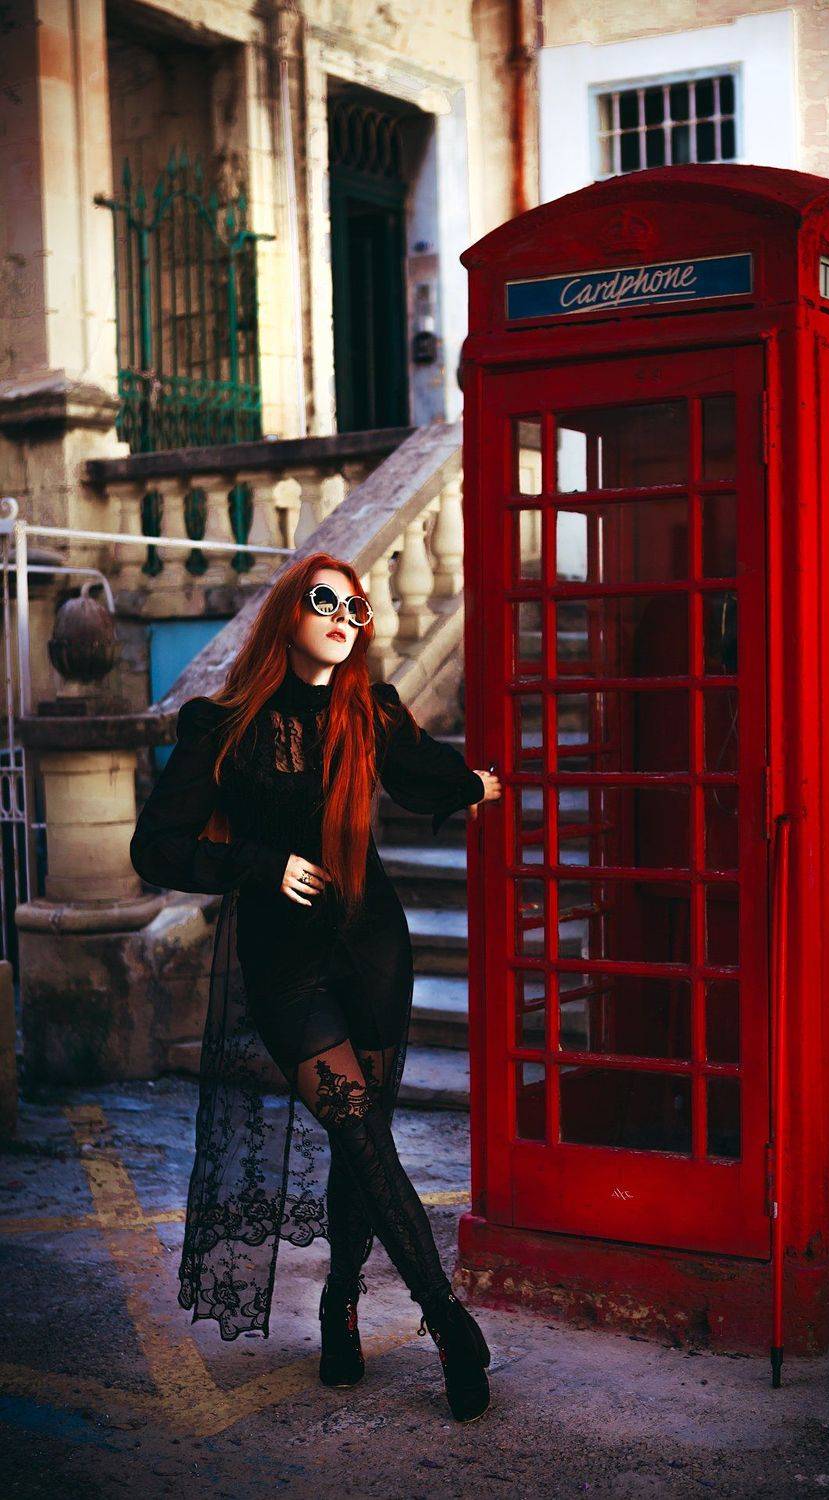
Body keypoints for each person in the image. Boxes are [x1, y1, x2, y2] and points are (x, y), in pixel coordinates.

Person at [129, 551, 502, 1423]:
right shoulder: (219, 725)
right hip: (286, 965)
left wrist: (474, 784)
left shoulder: (368, 707)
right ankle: (447, 1321)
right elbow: (156, 848)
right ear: (286, 616)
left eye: (357, 608)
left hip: (373, 946)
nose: (343, 616)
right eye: (324, 601)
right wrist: (259, 864)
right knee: (358, 1128)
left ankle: (340, 1301)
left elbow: (419, 772)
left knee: (359, 1143)